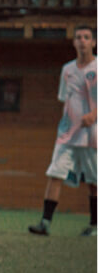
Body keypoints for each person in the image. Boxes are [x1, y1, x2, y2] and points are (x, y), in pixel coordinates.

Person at [28, 25, 97, 237]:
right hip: (67, 135)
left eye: (86, 37)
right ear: (74, 42)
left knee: (94, 180)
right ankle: (45, 223)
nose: (82, 41)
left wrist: (94, 115)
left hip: (92, 135)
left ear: (94, 42)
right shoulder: (67, 70)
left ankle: (95, 225)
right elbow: (65, 99)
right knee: (55, 173)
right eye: (79, 37)